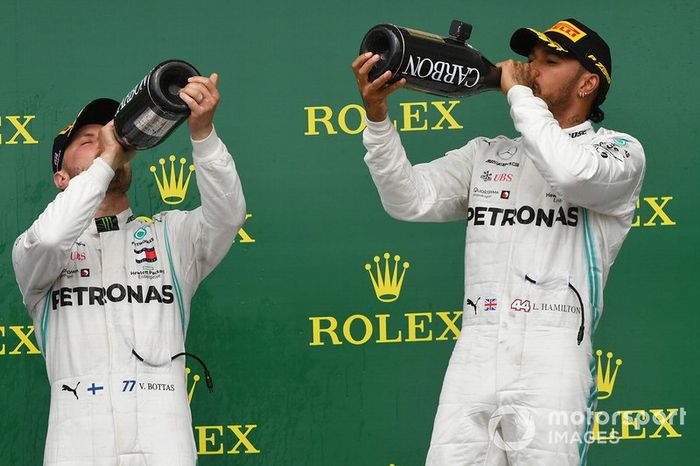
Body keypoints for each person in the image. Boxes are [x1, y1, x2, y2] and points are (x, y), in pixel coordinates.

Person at [352, 18, 645, 465]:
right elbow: (407, 200)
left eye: (550, 61)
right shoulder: (488, 154)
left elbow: (569, 173)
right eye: (530, 59)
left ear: (588, 83)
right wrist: (377, 119)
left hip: (555, 354)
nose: (530, 68)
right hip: (477, 346)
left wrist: (518, 94)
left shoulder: (619, 152)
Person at [12, 73, 246, 466]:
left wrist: (203, 134)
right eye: (87, 142)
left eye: (109, 136)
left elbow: (228, 216)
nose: (105, 143)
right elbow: (52, 239)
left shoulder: (171, 236)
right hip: (77, 442)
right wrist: (107, 158)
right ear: (61, 178)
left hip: (164, 440)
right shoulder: (34, 249)